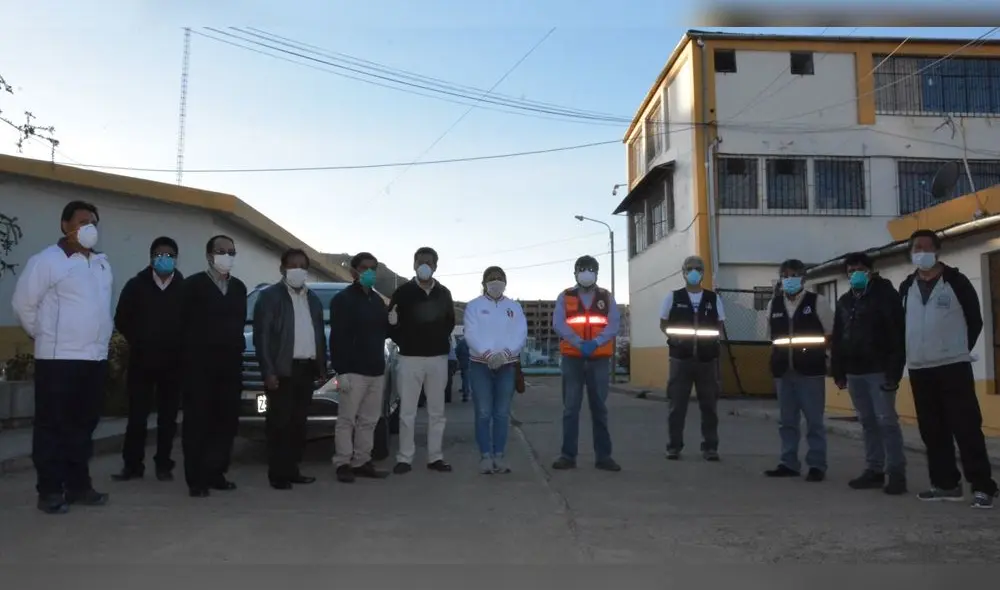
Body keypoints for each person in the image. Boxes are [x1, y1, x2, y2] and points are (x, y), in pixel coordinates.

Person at [12, 201, 113, 514]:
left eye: (93, 221)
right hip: (58, 360)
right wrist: (44, 335)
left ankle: (78, 485)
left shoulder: (101, 264)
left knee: (83, 426)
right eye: (82, 221)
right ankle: (51, 490)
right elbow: (23, 304)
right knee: (53, 427)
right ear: (64, 225)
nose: (89, 227)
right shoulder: (47, 261)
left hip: (93, 359)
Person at [900, 229, 998, 509]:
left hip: (953, 367)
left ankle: (982, 487)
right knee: (932, 431)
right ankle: (945, 484)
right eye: (915, 247)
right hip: (919, 368)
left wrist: (956, 349)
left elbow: (975, 321)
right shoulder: (907, 286)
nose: (920, 251)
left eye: (925, 246)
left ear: (937, 250)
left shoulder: (956, 281)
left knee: (966, 428)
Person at [830, 252, 908, 495]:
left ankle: (896, 473)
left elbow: (897, 334)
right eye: (851, 270)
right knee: (867, 422)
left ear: (870, 270)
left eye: (860, 269)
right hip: (854, 372)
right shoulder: (844, 301)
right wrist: (838, 370)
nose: (855, 273)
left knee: (887, 422)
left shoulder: (886, 296)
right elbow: (838, 337)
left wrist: (894, 371)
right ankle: (874, 470)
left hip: (880, 370)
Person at [178, 235, 248, 498]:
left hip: (229, 368)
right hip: (199, 368)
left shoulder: (239, 288)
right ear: (209, 255)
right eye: (221, 251)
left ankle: (216, 472)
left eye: (231, 251)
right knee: (198, 424)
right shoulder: (193, 285)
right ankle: (196, 479)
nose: (226, 256)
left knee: (225, 424)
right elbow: (180, 326)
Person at [111, 236, 185, 483]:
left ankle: (164, 464)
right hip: (141, 362)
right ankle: (132, 465)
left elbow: (193, 322)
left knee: (167, 419)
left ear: (176, 259)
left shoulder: (184, 288)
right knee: (137, 417)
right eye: (160, 255)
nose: (165, 259)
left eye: (170, 255)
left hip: (173, 365)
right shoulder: (136, 285)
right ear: (152, 257)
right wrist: (140, 340)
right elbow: (121, 318)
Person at [253, 249, 326, 490]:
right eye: (292, 265)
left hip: (306, 371)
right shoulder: (270, 297)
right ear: (282, 268)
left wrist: (321, 368)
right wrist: (268, 371)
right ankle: (278, 475)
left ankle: (293, 470)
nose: (297, 270)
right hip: (282, 371)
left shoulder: (312, 298)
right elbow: (261, 337)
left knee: (298, 425)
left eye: (302, 266)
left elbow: (318, 336)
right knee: (278, 424)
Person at [387, 246, 456, 475]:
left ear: (436, 266)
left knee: (437, 412)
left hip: (437, 358)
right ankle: (405, 457)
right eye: (421, 261)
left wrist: (435, 340)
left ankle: (435, 457)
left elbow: (449, 322)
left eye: (429, 261)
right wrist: (405, 339)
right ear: (414, 265)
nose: (425, 265)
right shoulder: (403, 292)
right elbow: (392, 323)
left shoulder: (444, 293)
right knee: (407, 411)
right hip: (409, 359)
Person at [764, 259, 834, 482]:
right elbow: (770, 338)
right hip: (784, 371)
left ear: (803, 278)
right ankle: (788, 462)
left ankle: (816, 465)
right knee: (787, 421)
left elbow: (831, 333)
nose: (789, 279)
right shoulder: (773, 305)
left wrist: (827, 359)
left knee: (814, 420)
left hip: (810, 371)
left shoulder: (817, 302)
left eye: (793, 275)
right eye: (785, 275)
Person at [551, 255, 622, 472]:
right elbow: (559, 323)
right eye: (583, 269)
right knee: (570, 408)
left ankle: (604, 457)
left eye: (591, 269)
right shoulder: (566, 296)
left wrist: (597, 342)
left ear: (597, 273)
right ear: (575, 272)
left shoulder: (606, 297)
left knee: (599, 408)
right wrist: (579, 342)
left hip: (599, 358)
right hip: (573, 357)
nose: (587, 273)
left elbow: (614, 323)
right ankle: (567, 456)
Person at [329, 252, 391, 483]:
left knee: (369, 420)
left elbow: (384, 332)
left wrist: (394, 321)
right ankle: (343, 463)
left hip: (376, 369)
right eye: (364, 268)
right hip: (353, 371)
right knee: (347, 419)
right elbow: (338, 338)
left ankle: (362, 461)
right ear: (353, 271)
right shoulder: (343, 299)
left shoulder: (376, 301)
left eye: (373, 268)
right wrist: (341, 371)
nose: (369, 272)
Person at [463, 266, 528, 474]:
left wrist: (506, 355)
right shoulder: (473, 306)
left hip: (507, 366)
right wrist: (488, 355)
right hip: (480, 365)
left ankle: (499, 455)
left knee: (501, 413)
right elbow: (471, 334)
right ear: (483, 283)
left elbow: (521, 333)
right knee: (483, 413)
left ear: (506, 282)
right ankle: (485, 456)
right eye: (491, 278)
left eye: (500, 278)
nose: (496, 281)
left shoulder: (514, 307)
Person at [659, 255, 724, 462]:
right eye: (690, 268)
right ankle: (674, 446)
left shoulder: (713, 299)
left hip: (707, 360)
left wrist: (712, 342)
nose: (694, 272)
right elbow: (663, 323)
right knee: (677, 406)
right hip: (680, 360)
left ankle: (710, 447)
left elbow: (719, 325)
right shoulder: (673, 297)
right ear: (684, 272)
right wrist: (676, 340)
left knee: (709, 406)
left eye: (698, 268)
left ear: (703, 272)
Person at [456, 336, 471, 402]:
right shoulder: (474, 341)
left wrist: (459, 359)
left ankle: (466, 394)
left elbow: (457, 352)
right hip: (473, 362)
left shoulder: (462, 342)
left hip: (464, 362)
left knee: (465, 378)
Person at [445, 335, 458, 404]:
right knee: (449, 379)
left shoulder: (445, 342)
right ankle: (448, 397)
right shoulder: (450, 342)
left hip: (447, 361)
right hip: (452, 360)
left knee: (446, 380)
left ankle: (446, 397)